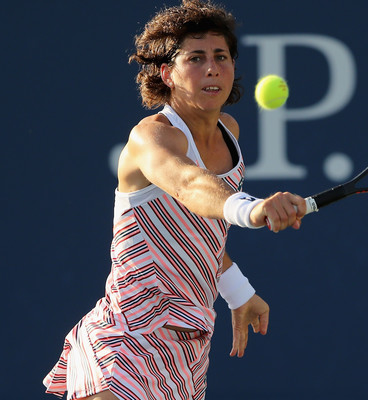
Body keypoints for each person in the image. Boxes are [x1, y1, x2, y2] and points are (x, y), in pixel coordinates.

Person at [43, 1, 306, 399]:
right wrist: (250, 208)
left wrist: (238, 290)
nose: (212, 68)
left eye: (221, 57)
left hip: (188, 353)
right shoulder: (152, 137)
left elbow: (199, 233)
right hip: (127, 337)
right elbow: (188, 184)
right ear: (168, 74)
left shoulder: (229, 132)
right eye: (196, 59)